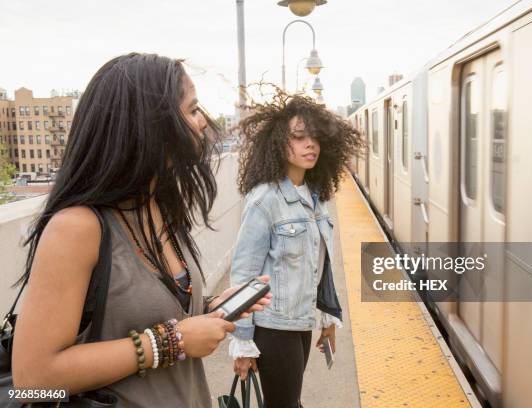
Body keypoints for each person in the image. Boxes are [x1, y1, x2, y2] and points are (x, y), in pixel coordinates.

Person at [11, 53, 271, 408]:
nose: (203, 125)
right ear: (150, 124)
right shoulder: (76, 229)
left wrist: (209, 310)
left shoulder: (159, 207)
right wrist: (173, 341)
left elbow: (141, 313)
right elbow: (32, 379)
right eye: (193, 110)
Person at [229, 94, 365, 407]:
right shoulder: (265, 200)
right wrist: (243, 341)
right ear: (278, 142)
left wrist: (327, 316)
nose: (310, 145)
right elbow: (243, 274)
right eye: (299, 137)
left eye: (315, 137)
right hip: (273, 329)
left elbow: (317, 266)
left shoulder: (316, 195)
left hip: (300, 324)